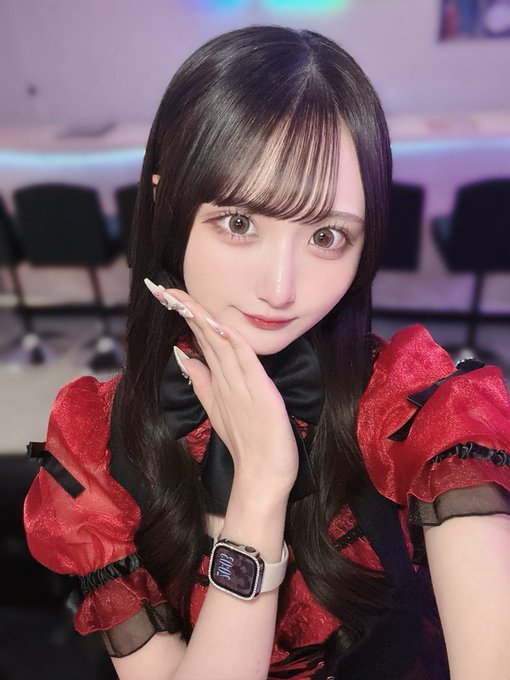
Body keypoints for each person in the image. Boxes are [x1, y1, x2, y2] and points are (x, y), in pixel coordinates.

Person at [24, 25, 510, 680]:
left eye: (327, 236)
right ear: (167, 202)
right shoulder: (94, 444)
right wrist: (258, 486)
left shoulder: (417, 407)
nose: (280, 289)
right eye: (240, 223)